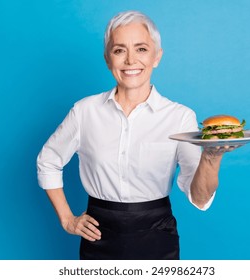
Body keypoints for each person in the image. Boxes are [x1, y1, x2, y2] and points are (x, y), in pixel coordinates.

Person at [37, 10, 231, 260]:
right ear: (108, 59)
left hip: (157, 236)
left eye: (141, 49)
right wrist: (67, 219)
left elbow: (200, 197)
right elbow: (48, 161)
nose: (130, 60)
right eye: (119, 50)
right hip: (98, 236)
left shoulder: (180, 117)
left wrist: (212, 157)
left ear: (156, 57)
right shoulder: (84, 111)